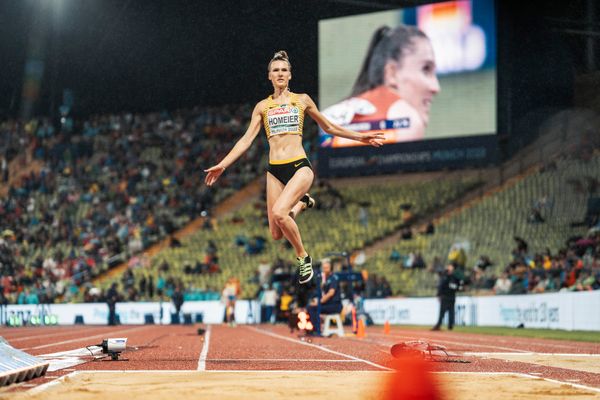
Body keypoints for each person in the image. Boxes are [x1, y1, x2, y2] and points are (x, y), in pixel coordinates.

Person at [205, 51, 384, 284]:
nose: (280, 74)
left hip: (300, 166)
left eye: (284, 70)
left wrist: (361, 137)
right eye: (275, 70)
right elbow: (246, 140)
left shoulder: (302, 100)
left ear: (290, 75)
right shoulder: (262, 107)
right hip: (274, 171)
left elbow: (328, 127)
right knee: (276, 232)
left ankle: (303, 256)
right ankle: (302, 203)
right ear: (269, 76)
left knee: (280, 213)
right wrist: (223, 164)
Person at [322, 25, 440, 147]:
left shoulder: (327, 117)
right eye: (426, 69)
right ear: (392, 73)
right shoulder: (407, 119)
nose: (436, 87)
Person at [307, 259, 343, 335]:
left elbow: (330, 293)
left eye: (327, 268)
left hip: (335, 305)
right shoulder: (324, 279)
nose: (325, 269)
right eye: (324, 268)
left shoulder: (334, 278)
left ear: (331, 268)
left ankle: (317, 329)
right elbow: (321, 293)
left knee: (312, 308)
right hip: (327, 304)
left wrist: (320, 302)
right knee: (310, 306)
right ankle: (316, 327)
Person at [431, 264, 461, 331]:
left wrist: (438, 294)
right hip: (446, 297)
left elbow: (441, 286)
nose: (451, 270)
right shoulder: (447, 277)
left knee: (450, 312)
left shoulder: (452, 278)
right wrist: (439, 295)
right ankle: (440, 325)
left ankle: (449, 326)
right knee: (444, 312)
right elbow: (441, 286)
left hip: (450, 297)